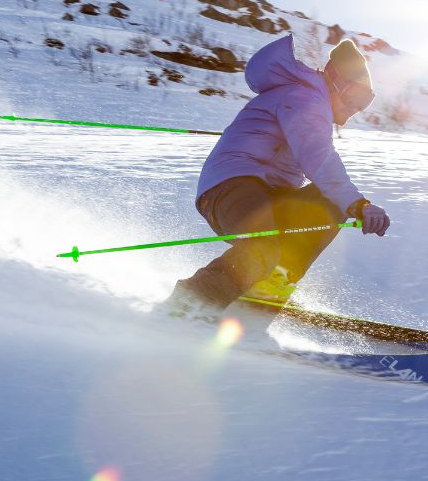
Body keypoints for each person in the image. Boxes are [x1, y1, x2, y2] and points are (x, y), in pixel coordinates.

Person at [163, 34, 391, 320]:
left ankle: (265, 292)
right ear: (336, 81)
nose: (352, 112)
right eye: (355, 98)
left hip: (266, 193)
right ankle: (189, 305)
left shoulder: (306, 99)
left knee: (326, 203)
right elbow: (317, 156)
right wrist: (359, 203)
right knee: (264, 245)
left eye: (364, 104)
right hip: (231, 188)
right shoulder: (306, 97)